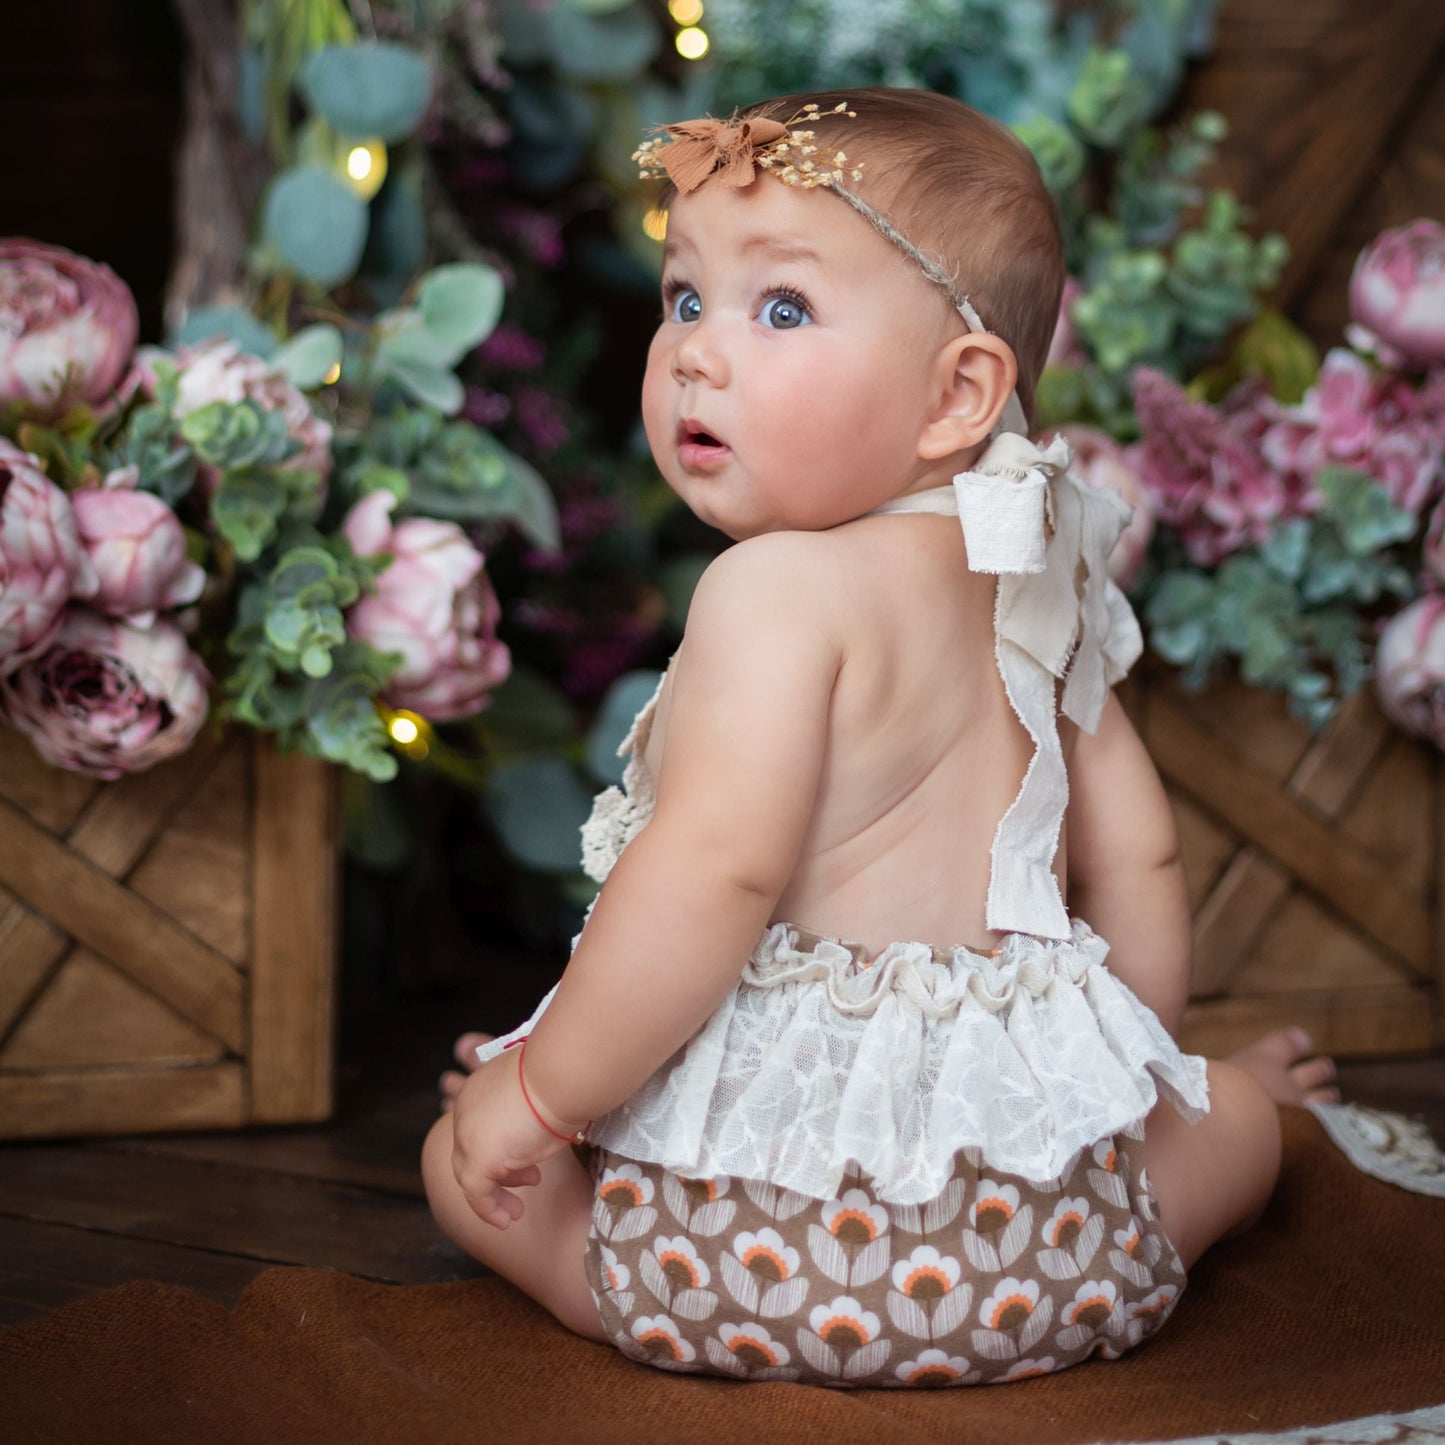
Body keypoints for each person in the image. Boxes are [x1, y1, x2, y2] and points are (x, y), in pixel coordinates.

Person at [422, 87, 1338, 1388]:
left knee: (464, 1164)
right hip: (1049, 1260)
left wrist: (544, 1092)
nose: (694, 350)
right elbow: (1139, 863)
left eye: (778, 307)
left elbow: (709, 875)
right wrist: (1104, 1107)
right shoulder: (1041, 595)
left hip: (737, 1265)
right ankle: (1223, 1147)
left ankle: (601, 1268)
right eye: (684, 296)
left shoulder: (772, 589)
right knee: (1230, 1118)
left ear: (955, 393)